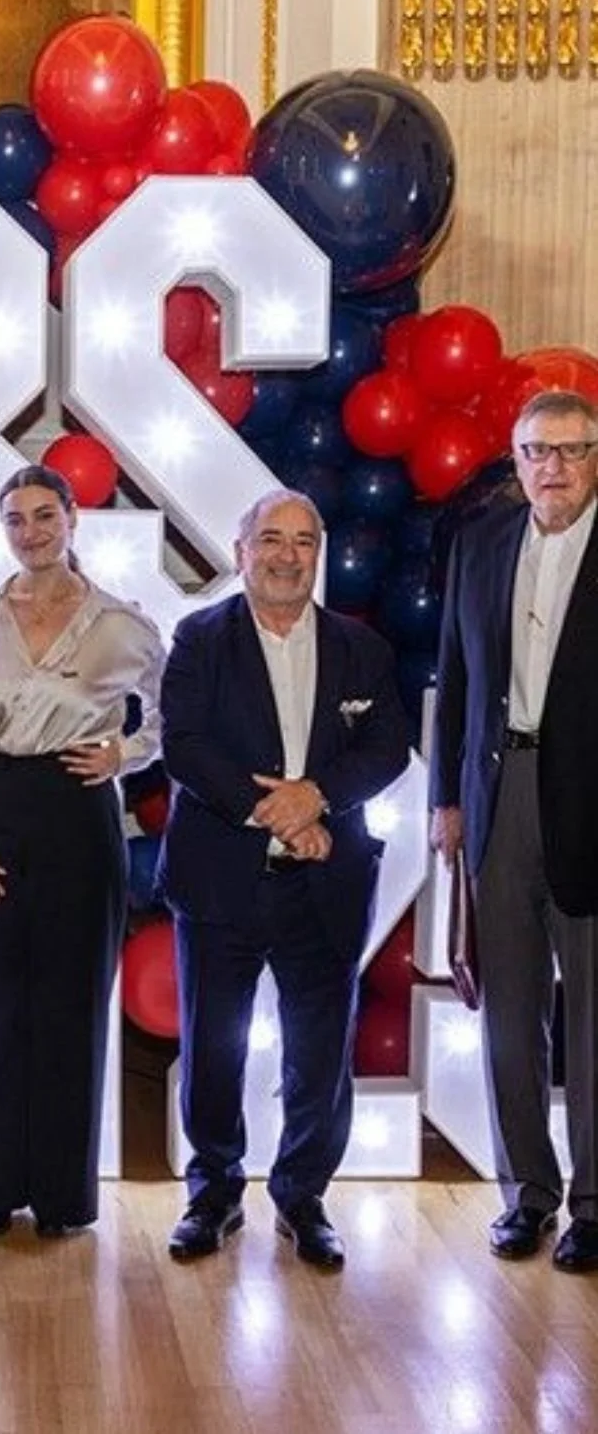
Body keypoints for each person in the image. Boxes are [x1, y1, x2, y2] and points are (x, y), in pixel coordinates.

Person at [157, 489, 409, 1271]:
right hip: (222, 878)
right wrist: (279, 811)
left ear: (319, 554)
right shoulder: (200, 638)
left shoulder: (360, 647)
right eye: (271, 538)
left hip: (325, 881)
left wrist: (319, 799)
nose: (287, 555)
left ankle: (303, 1194)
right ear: (241, 551)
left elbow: (390, 746)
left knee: (318, 1049)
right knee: (213, 1046)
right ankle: (215, 1191)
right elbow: (185, 746)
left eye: (305, 540)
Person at [0, 465, 163, 1236]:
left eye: (43, 515)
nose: (31, 531)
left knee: (70, 1006)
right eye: (15, 519)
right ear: (3, 530)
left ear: (71, 521)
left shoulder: (120, 623)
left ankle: (63, 1195)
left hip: (77, 816)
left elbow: (174, 710)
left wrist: (127, 754)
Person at [431, 389, 598, 1272]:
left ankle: (595, 1205)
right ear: (517, 459)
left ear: (594, 457)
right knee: (510, 1013)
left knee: (591, 1021)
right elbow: (454, 679)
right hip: (498, 797)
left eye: (572, 450)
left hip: (591, 808)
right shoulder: (482, 543)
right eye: (538, 451)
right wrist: (447, 804)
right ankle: (527, 1194)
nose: (555, 468)